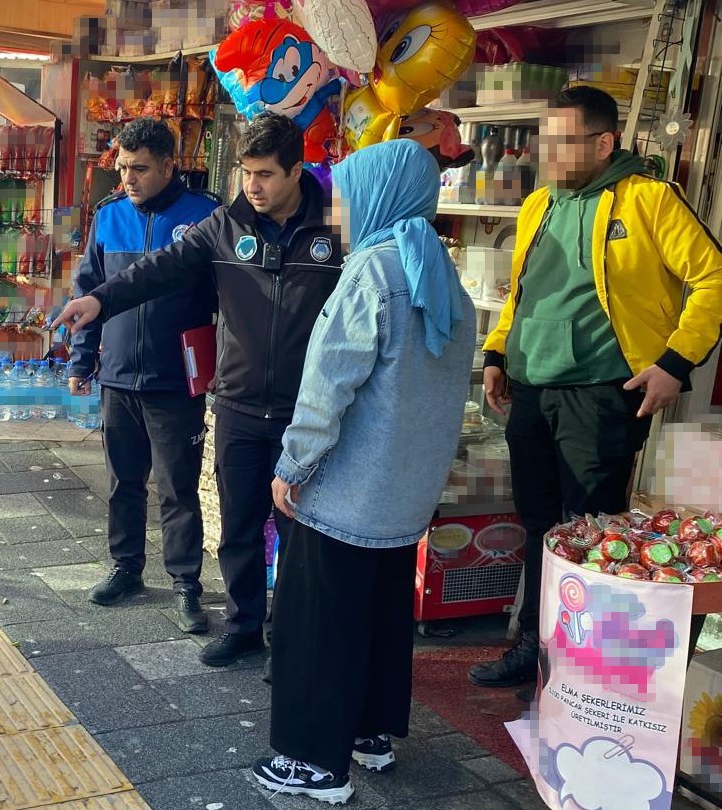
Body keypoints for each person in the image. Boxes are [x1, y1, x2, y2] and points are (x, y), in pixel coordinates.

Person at [52, 113, 346, 668]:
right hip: (236, 400)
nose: (252, 187)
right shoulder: (223, 225)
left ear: (296, 172)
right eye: (245, 173)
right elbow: (159, 269)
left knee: (297, 532)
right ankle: (240, 626)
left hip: (303, 409)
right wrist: (99, 302)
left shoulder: (335, 227)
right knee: (237, 526)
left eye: (264, 175)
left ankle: (289, 641)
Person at [467, 86, 722, 696]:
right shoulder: (537, 205)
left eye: (561, 141)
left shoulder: (649, 200)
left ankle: (585, 672)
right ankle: (531, 649)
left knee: (592, 533)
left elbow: (712, 278)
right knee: (536, 525)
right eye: (542, 140)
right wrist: (498, 351)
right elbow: (522, 293)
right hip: (532, 390)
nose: (546, 153)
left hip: (602, 394)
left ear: (604, 142)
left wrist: (674, 363)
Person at [251, 138, 476, 805]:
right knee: (379, 614)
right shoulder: (443, 274)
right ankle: (371, 735)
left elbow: (329, 385)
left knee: (319, 622)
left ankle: (314, 764)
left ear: (380, 195)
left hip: (346, 491)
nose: (339, 212)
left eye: (346, 197)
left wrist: (292, 466)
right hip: (405, 493)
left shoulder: (374, 271)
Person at [68, 117, 222, 633]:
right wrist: (82, 360)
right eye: (123, 168)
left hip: (176, 378)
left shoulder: (206, 216)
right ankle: (125, 568)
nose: (128, 179)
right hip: (117, 376)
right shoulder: (108, 217)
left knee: (178, 487)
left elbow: (228, 301)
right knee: (121, 482)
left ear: (169, 166)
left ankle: (186, 585)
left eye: (140, 169)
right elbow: (88, 292)